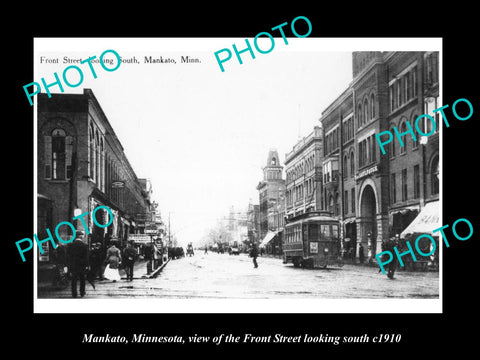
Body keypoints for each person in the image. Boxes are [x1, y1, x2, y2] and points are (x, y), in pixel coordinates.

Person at [66, 230, 89, 298]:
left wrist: (68, 265)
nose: (82, 236)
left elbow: (68, 256)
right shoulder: (84, 245)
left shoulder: (71, 245)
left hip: (74, 265)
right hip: (82, 265)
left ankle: (74, 293)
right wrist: (87, 265)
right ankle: (82, 292)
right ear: (80, 236)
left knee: (74, 280)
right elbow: (86, 257)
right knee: (82, 279)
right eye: (82, 235)